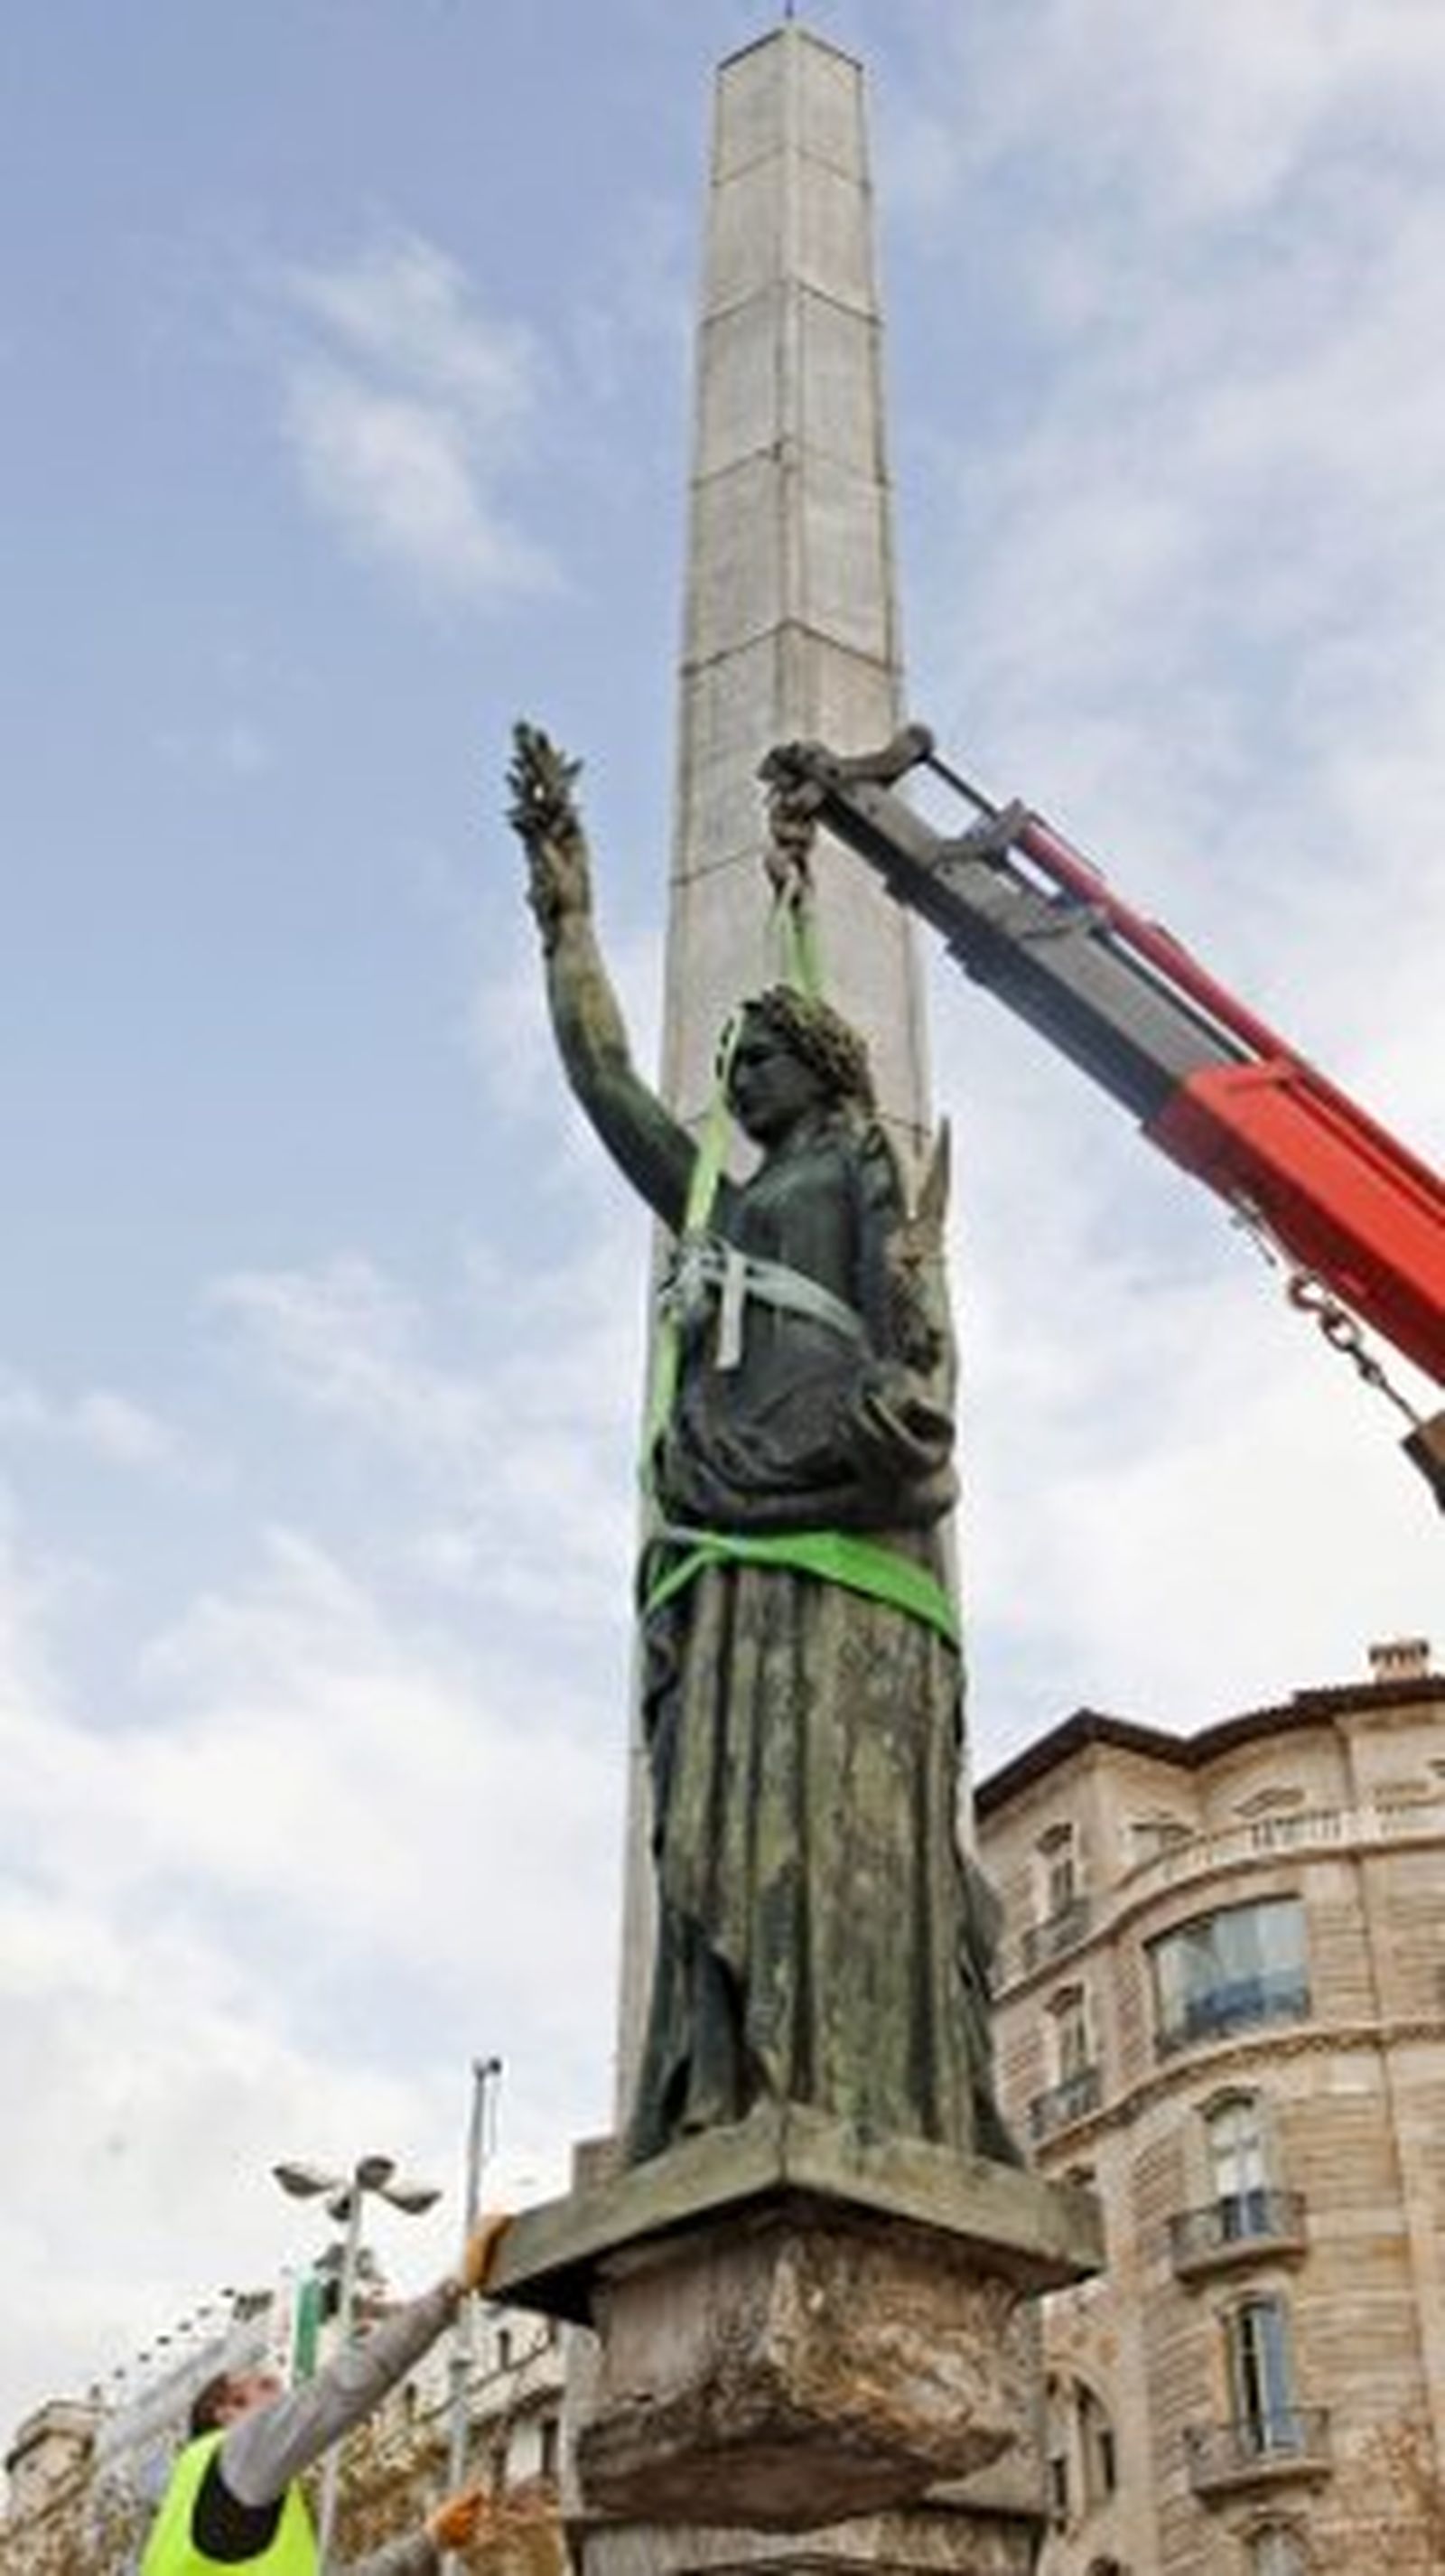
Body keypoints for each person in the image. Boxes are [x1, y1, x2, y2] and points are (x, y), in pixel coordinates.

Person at [508, 723, 1014, 2169]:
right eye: (732, 1060)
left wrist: (851, 1440)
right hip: (724, 1549)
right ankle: (725, 2071)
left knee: (828, 1823)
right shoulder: (722, 1207)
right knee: (710, 1837)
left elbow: (917, 1354)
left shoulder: (855, 1168)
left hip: (830, 1540)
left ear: (815, 1062)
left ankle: (836, 2070)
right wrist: (569, 921)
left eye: (757, 1054)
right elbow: (607, 1083)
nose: (736, 1074)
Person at [139, 2215, 511, 2576]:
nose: (286, 2395)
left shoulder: (194, 2510)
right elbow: (342, 2387)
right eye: (265, 2388)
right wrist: (452, 2289)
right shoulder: (238, 2454)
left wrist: (430, 2541)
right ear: (227, 2413)